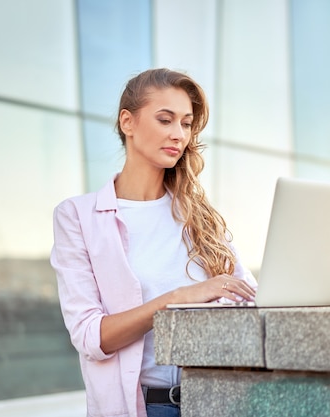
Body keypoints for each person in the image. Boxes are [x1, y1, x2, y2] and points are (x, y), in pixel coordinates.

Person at [50, 68, 257, 417]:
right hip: (146, 406)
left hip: (217, 402)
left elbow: (249, 298)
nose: (179, 134)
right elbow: (91, 336)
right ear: (127, 122)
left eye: (187, 124)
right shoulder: (77, 217)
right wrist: (176, 300)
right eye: (165, 120)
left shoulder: (199, 216)